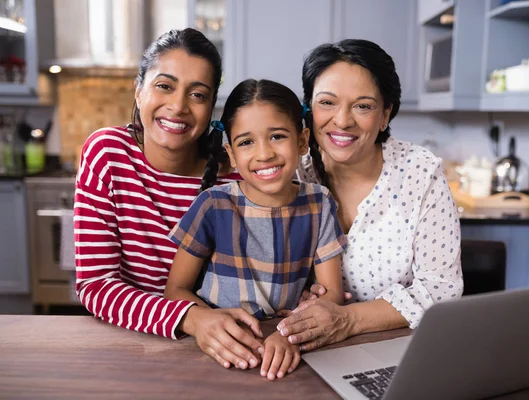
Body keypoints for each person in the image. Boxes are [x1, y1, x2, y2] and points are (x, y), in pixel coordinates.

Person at [74, 29, 266, 372]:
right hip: (131, 349)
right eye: (164, 85)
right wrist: (192, 318)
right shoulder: (107, 154)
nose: (178, 106)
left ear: (211, 109)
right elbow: (96, 285)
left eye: (197, 94)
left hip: (225, 353)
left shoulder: (236, 174)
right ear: (139, 90)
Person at [276, 39, 464, 351]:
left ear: (385, 115)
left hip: (399, 350)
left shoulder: (420, 173)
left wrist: (346, 319)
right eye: (327, 103)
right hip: (300, 345)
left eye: (363, 106)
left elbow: (441, 288)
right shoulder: (291, 170)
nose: (342, 120)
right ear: (309, 107)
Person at [164, 78, 347, 380]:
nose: (264, 154)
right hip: (216, 350)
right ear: (232, 154)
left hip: (285, 348)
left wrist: (289, 335)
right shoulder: (213, 205)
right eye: (247, 142)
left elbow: (332, 294)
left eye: (277, 136)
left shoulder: (319, 203)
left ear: (302, 141)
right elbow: (175, 290)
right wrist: (207, 323)